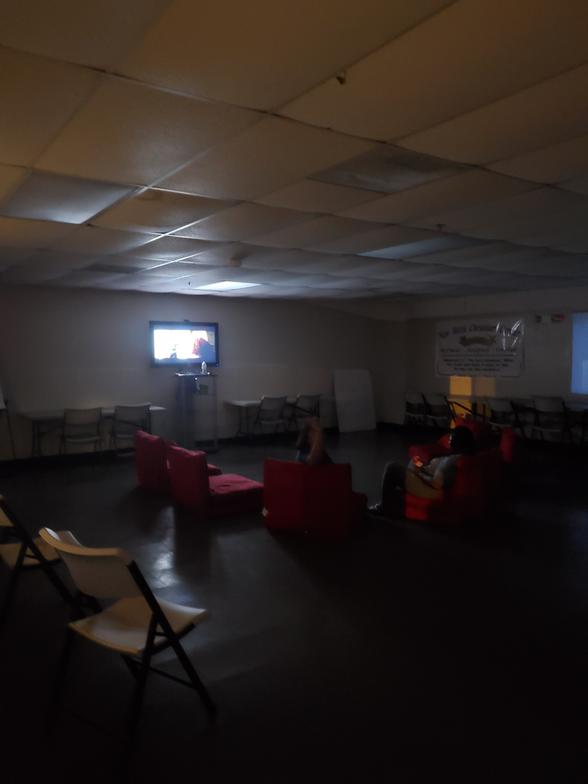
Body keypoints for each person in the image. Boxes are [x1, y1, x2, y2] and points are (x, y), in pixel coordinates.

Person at [369, 425, 476, 518]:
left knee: (392, 468)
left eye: (452, 436)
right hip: (429, 479)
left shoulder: (451, 461)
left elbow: (436, 483)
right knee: (412, 463)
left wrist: (418, 473)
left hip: (431, 490)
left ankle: (385, 507)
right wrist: (420, 467)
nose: (449, 438)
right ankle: (393, 502)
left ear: (459, 441)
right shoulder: (456, 456)